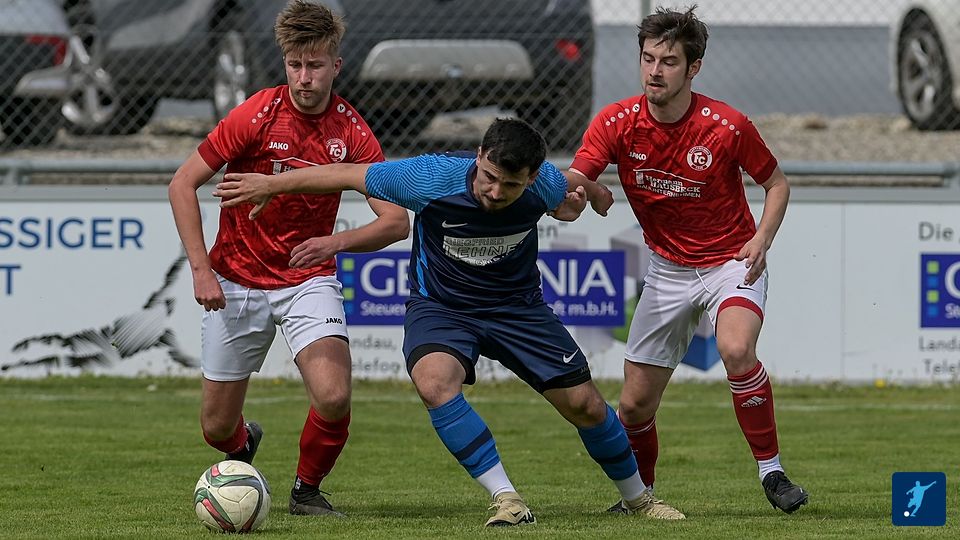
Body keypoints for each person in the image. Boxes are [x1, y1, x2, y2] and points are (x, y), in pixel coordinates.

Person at [213, 117, 687, 525]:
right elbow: (347, 174)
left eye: (510, 185)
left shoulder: (542, 182)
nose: (495, 192)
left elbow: (566, 193)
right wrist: (271, 185)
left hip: (517, 308)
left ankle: (639, 500)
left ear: (530, 179)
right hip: (442, 308)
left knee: (585, 405)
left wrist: (589, 197)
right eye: (488, 177)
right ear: (479, 156)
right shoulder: (428, 178)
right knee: (435, 382)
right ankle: (507, 499)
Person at [168, 0, 409, 517]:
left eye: (315, 65)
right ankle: (241, 447)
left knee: (333, 395)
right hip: (235, 279)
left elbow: (396, 221)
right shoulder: (256, 114)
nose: (304, 77)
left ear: (336, 65)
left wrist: (334, 244)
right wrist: (202, 270)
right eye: (295, 65)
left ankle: (306, 491)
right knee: (215, 428)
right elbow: (182, 184)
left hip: (307, 277)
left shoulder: (351, 132)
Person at [567, 6, 808, 514]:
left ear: (693, 68)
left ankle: (772, 472)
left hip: (731, 263)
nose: (655, 71)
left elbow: (777, 184)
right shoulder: (616, 122)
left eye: (669, 61)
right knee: (633, 405)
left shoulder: (726, 126)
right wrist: (584, 190)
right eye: (648, 59)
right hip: (667, 271)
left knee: (736, 348)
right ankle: (640, 499)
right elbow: (572, 184)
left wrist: (762, 238)